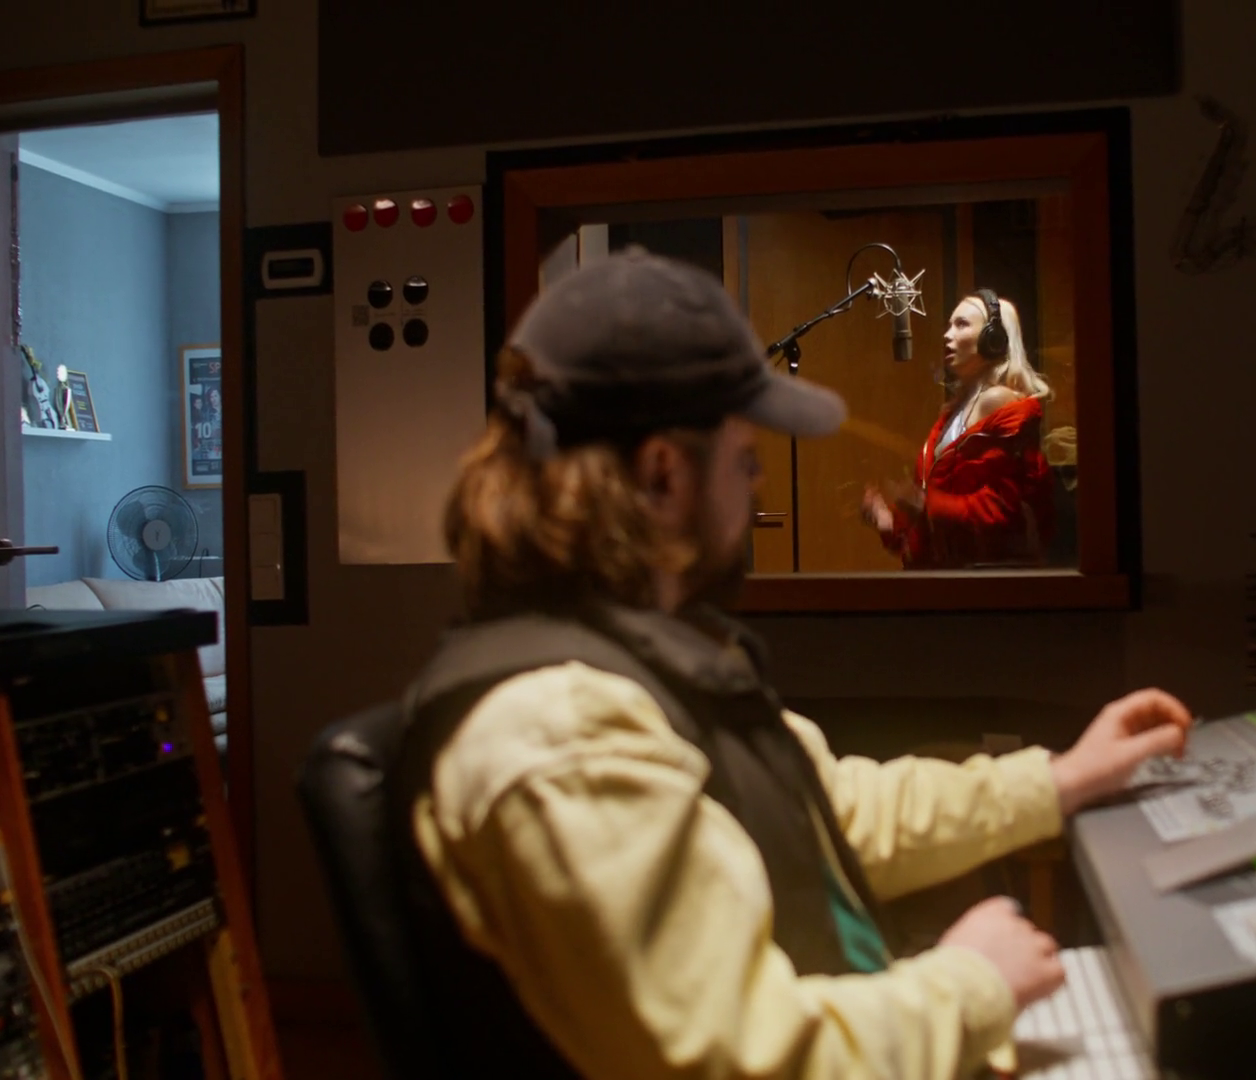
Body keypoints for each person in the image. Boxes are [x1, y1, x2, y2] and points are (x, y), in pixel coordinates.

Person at [397, 250, 1192, 1079]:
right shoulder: (561, 736)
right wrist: (971, 982)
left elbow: (832, 810)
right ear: (665, 474)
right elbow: (735, 1061)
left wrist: (1062, 779)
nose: (755, 487)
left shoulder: (636, 665)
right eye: (744, 461)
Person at [862, 290, 1055, 569]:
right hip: (954, 577)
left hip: (988, 581)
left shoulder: (997, 401)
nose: (947, 335)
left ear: (993, 338)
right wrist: (886, 520)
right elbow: (935, 524)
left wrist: (925, 504)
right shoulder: (953, 413)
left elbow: (1003, 507)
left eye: (961, 324)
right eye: (949, 325)